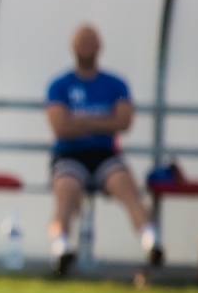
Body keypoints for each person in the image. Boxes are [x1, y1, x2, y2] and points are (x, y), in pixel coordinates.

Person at [45, 24, 163, 276]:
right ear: (73, 47)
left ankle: (151, 241)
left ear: (99, 47)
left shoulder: (115, 84)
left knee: (126, 186)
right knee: (65, 190)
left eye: (91, 41)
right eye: (82, 41)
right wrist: (102, 123)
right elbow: (60, 127)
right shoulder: (60, 85)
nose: (86, 47)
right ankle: (61, 247)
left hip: (105, 154)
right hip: (70, 154)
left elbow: (123, 122)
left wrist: (80, 121)